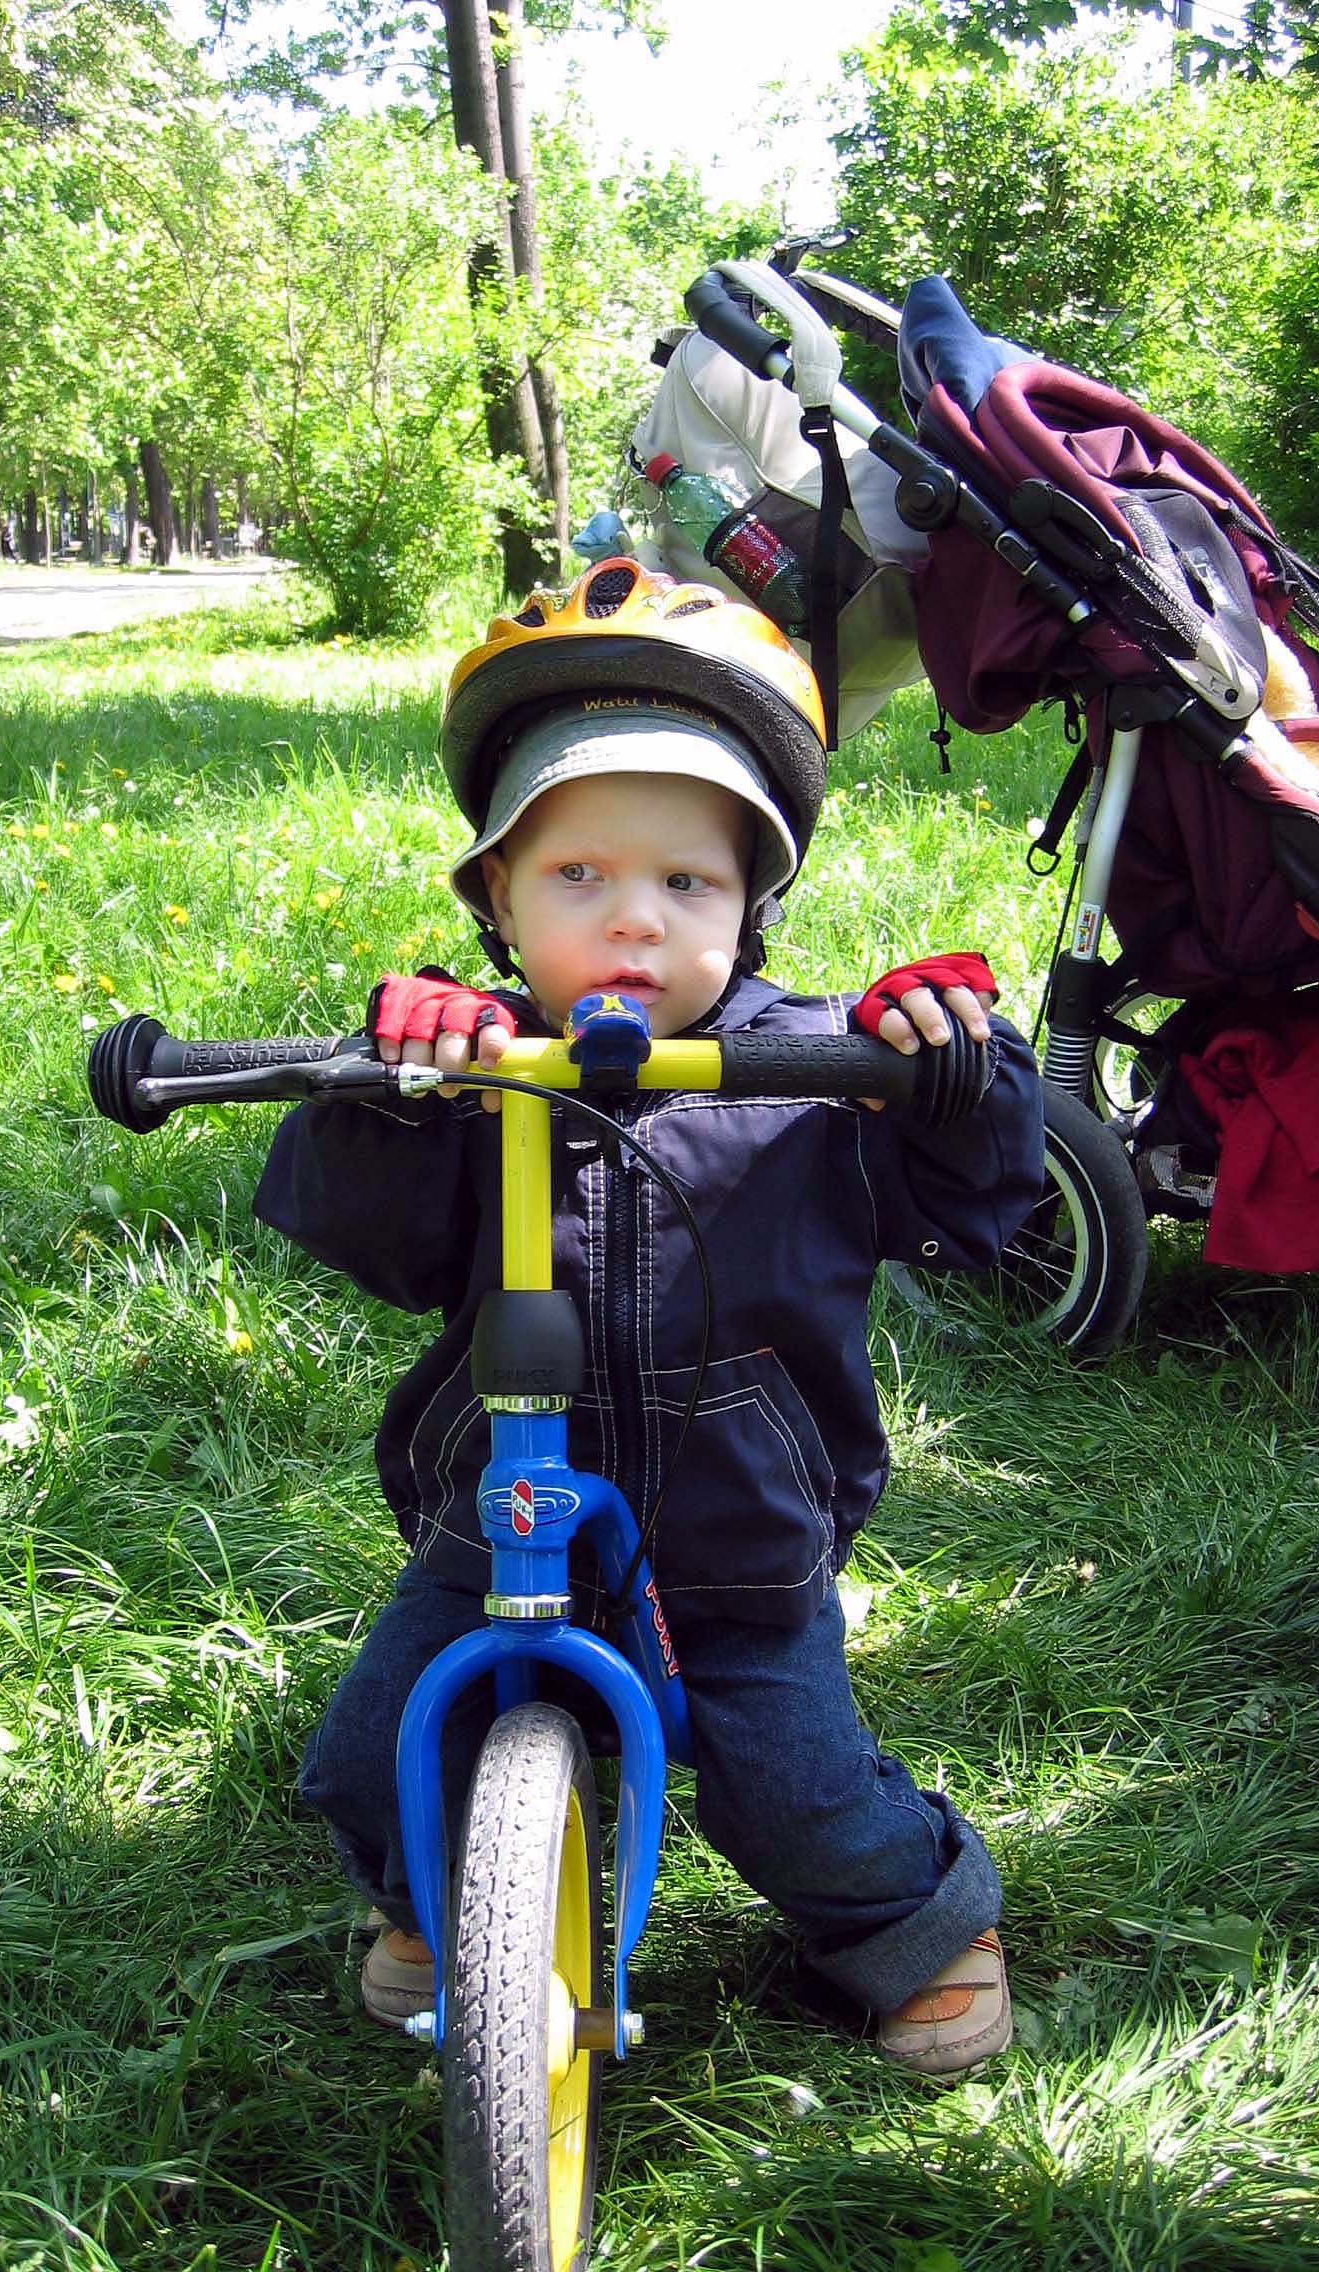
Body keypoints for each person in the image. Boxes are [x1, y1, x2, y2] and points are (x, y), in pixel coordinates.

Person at [254, 559, 1045, 2078]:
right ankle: (434, 1893)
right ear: (495, 898)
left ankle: (922, 1926)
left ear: (753, 906)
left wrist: (949, 1072)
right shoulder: (472, 1072)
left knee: (798, 1791)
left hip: (735, 1533)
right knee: (378, 1747)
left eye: (688, 884)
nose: (635, 921)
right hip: (500, 1517)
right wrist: (391, 1092)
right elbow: (369, 1236)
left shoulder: (813, 1075)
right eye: (578, 876)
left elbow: (976, 1203)